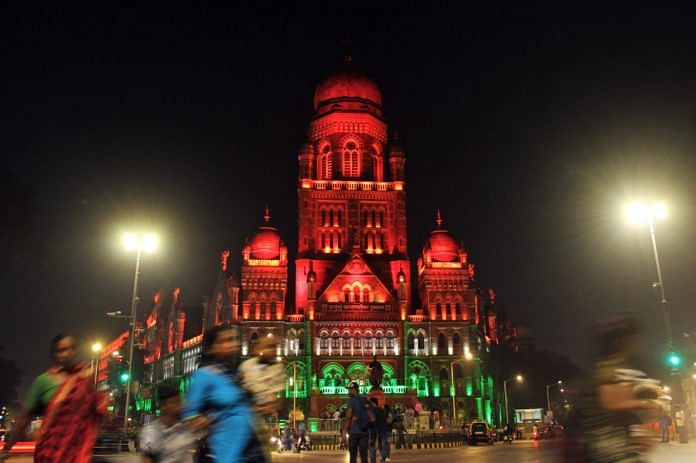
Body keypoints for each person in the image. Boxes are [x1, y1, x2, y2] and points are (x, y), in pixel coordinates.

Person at [562, 314, 662, 462]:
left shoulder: (617, 366)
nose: (635, 343)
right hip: (606, 450)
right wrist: (646, 402)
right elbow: (611, 401)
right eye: (632, 337)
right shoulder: (606, 368)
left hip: (617, 448)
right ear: (621, 340)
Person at [0, 334, 107, 463]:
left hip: (77, 454)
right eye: (62, 350)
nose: (67, 353)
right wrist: (8, 448)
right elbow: (24, 419)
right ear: (55, 353)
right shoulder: (43, 381)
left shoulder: (84, 380)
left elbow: (94, 413)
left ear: (76, 351)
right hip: (49, 452)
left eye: (71, 349)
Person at [183, 325, 260, 463]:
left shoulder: (235, 374)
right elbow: (189, 415)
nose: (235, 343)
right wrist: (211, 419)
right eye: (228, 340)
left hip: (249, 452)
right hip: (223, 453)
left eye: (236, 339)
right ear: (212, 347)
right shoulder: (203, 375)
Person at [139, 386, 200, 463]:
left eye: (180, 402)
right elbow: (147, 459)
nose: (180, 406)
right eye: (175, 402)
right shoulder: (151, 431)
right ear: (164, 406)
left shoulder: (184, 429)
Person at [341, 381, 371, 463]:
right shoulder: (365, 398)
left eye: (350, 389)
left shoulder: (351, 400)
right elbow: (370, 413)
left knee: (353, 456)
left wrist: (344, 431)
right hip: (365, 431)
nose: (348, 391)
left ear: (354, 389)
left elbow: (348, 416)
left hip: (354, 431)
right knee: (364, 456)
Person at [368, 398, 386, 463]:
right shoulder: (382, 410)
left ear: (374, 403)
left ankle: (373, 461)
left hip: (374, 431)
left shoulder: (372, 411)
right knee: (382, 447)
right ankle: (383, 460)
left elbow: (371, 421)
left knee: (372, 448)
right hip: (382, 430)